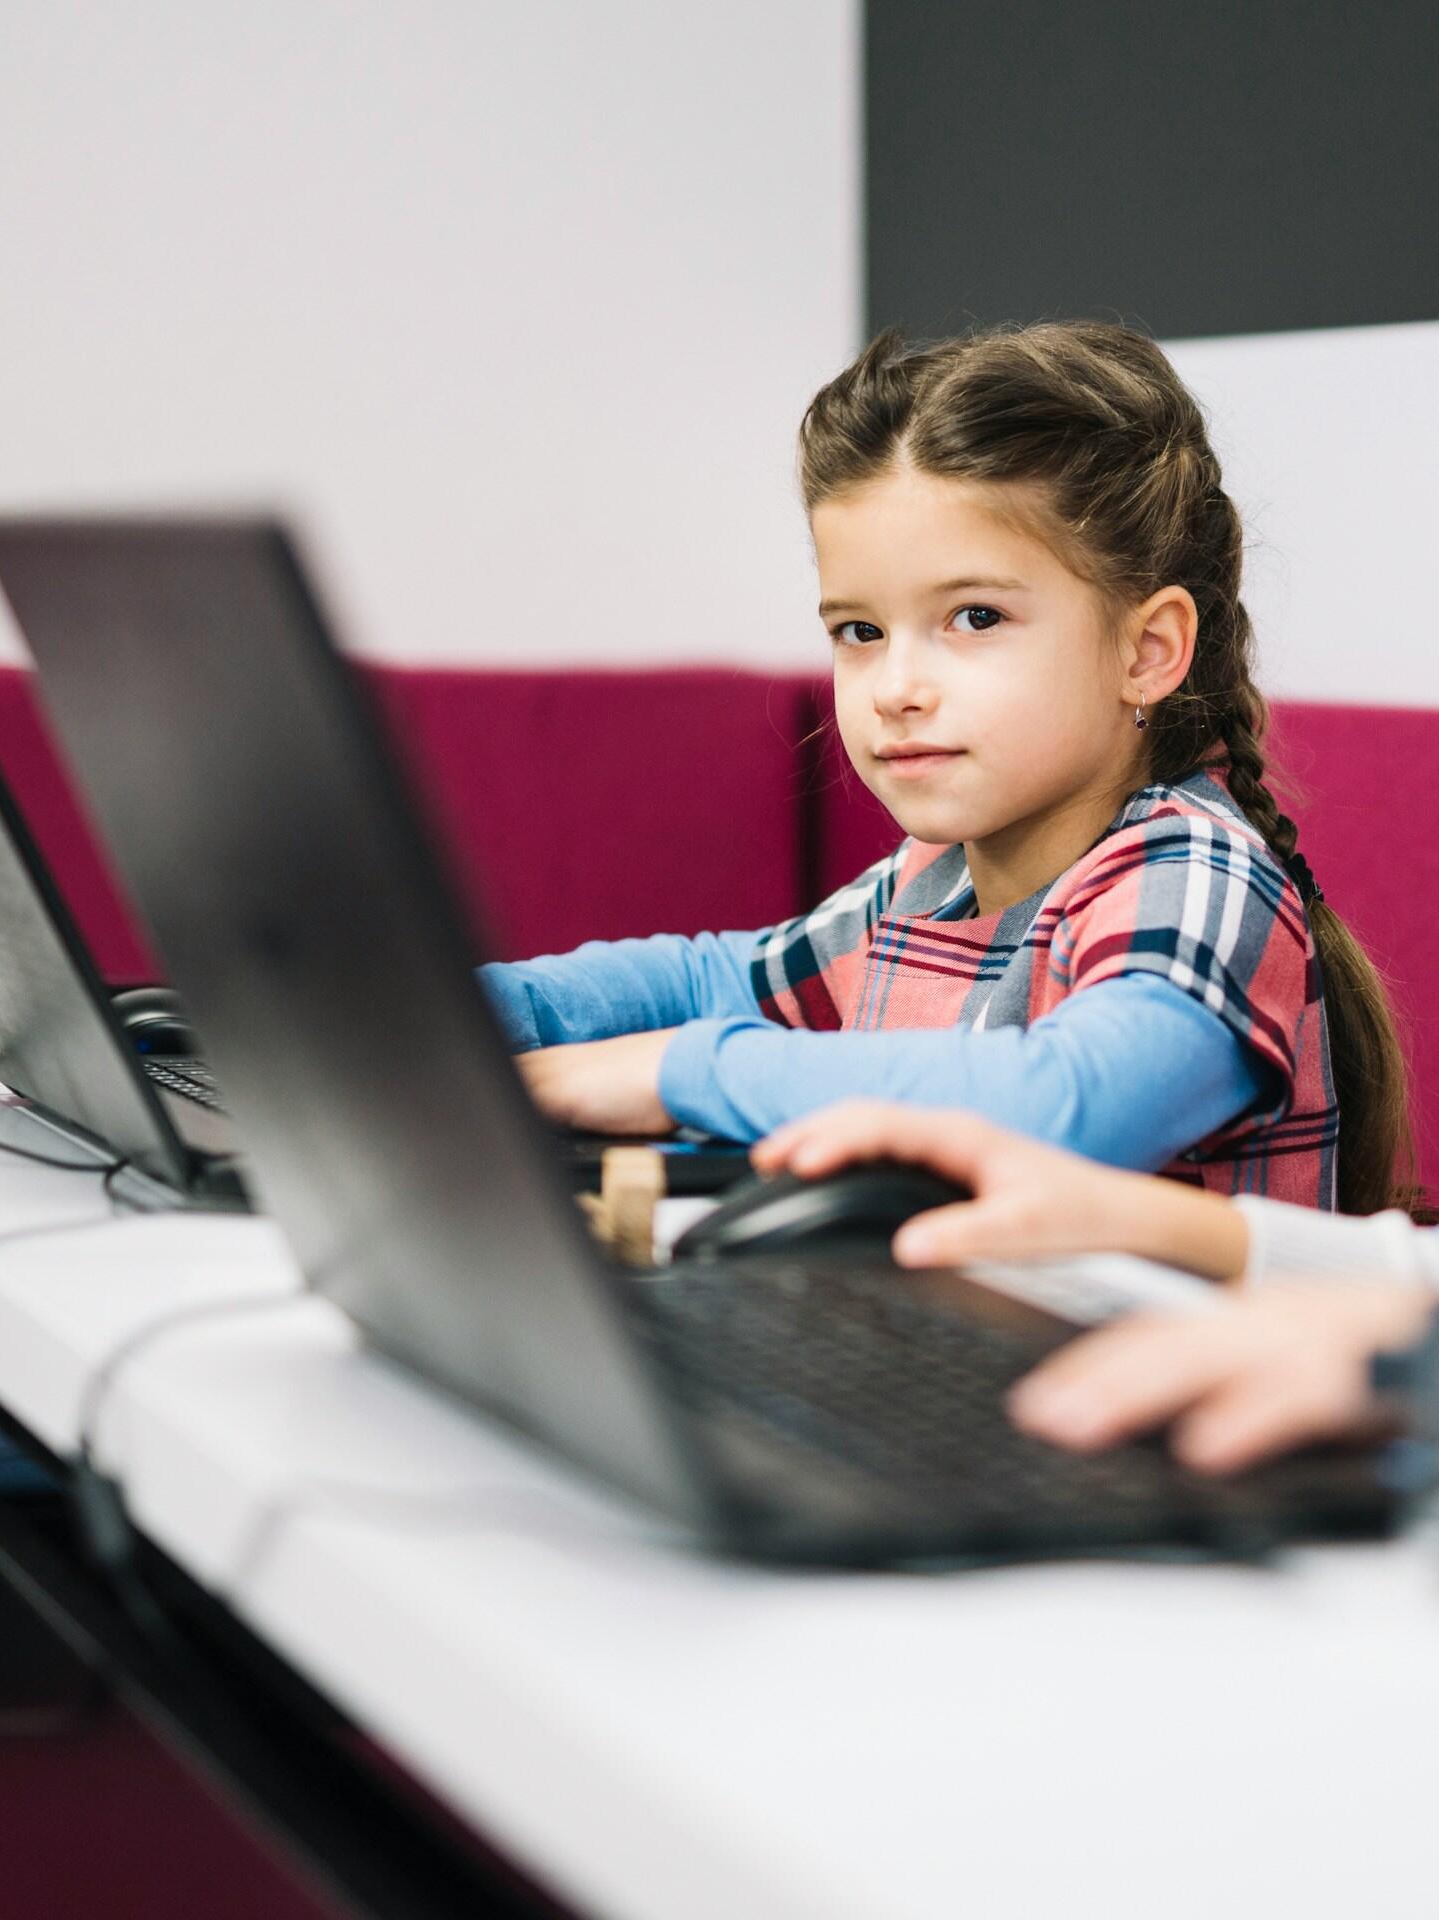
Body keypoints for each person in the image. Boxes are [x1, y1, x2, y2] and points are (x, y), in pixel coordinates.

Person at [482, 323, 1416, 1211]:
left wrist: (673, 1073)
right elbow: (717, 981)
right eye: (859, 631)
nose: (894, 687)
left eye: (975, 618)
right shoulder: (935, 880)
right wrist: (473, 1014)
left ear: (1148, 650)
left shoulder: (1197, 875)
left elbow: (1064, 1105)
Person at [751, 1101, 1436, 1473]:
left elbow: (1080, 1088)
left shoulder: (1197, 862)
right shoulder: (913, 892)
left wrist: (1409, 1358)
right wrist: (1117, 1210)